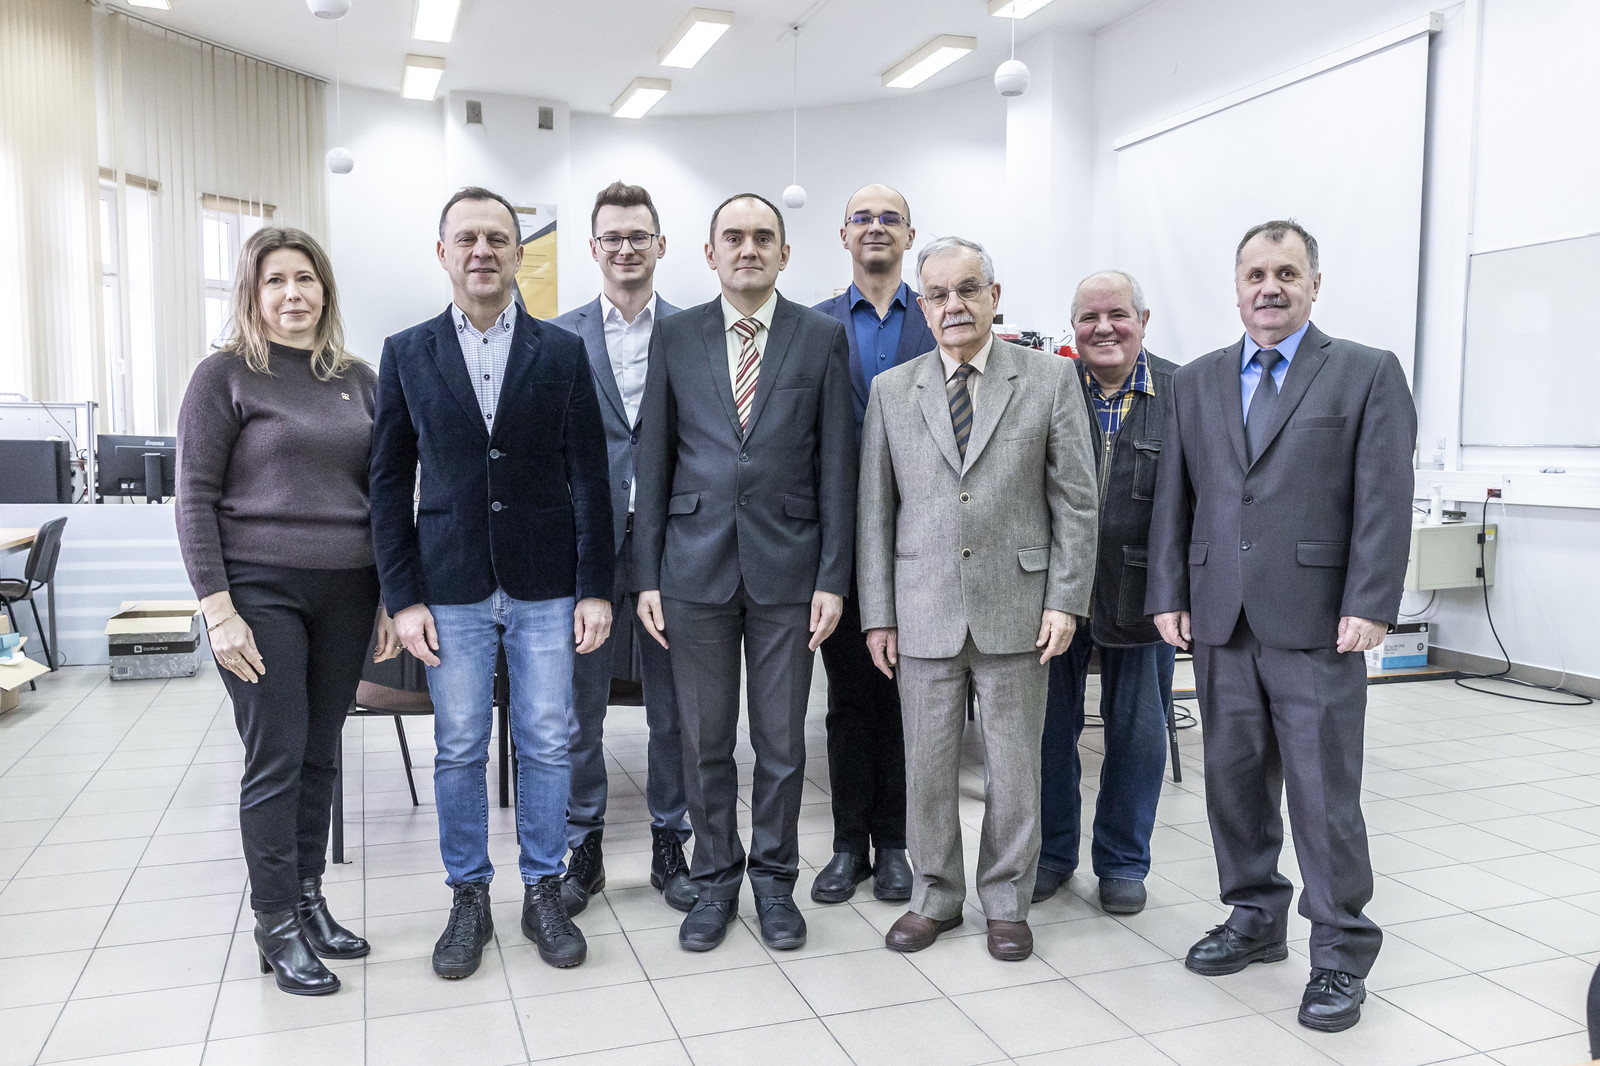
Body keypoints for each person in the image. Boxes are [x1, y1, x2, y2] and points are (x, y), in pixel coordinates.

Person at [1146, 220, 1416, 1032]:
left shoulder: (1365, 372)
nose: (1270, 287)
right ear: (1236, 288)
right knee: (1233, 781)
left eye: (1287, 273)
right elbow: (1176, 497)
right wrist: (1168, 590)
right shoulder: (1196, 380)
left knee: (1324, 794)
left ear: (1314, 284)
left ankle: (1339, 952)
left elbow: (1383, 495)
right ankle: (1254, 916)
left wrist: (1371, 601)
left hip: (1319, 619)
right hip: (1219, 617)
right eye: (1256, 274)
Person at [369, 186, 614, 977]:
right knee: (459, 747)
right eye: (467, 238)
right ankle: (468, 895)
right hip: (449, 584)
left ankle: (543, 889)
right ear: (443, 252)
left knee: (545, 739)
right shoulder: (406, 352)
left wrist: (596, 586)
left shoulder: (562, 352)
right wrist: (402, 596)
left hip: (546, 582)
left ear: (519, 253)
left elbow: (590, 477)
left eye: (497, 239)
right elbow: (387, 484)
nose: (482, 251)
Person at [856, 236, 1098, 962]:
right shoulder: (892, 390)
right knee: (927, 766)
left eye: (967, 289)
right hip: (922, 606)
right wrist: (878, 613)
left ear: (995, 296)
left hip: (1019, 606)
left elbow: (1077, 502)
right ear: (923, 306)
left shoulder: (1050, 379)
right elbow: (876, 512)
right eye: (937, 294)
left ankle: (1006, 901)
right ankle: (934, 896)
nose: (953, 305)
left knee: (1016, 769)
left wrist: (1065, 600)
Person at [176, 226, 398, 996]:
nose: (293, 294)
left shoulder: (359, 380)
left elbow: (383, 496)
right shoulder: (224, 376)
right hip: (259, 590)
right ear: (253, 292)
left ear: (325, 291)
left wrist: (387, 595)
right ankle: (274, 922)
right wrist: (217, 609)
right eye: (275, 281)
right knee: (277, 755)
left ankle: (308, 902)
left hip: (349, 589)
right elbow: (193, 498)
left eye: (305, 279)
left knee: (321, 751)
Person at [633, 192, 855, 953]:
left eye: (764, 237)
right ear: (710, 253)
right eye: (734, 237)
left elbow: (838, 466)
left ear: (785, 254)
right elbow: (654, 460)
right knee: (703, 742)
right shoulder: (675, 336)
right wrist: (647, 575)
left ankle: (775, 883)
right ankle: (715, 881)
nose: (748, 248)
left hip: (790, 571)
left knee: (782, 744)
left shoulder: (820, 337)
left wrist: (833, 577)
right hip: (691, 568)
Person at [548, 181, 694, 916]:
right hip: (586, 543)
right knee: (582, 708)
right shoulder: (557, 336)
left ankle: (671, 840)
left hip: (673, 543)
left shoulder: (693, 333)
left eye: (639, 236)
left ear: (660, 245)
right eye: (613, 237)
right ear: (594, 247)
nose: (626, 248)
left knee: (675, 708)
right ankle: (585, 845)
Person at [808, 184, 935, 905]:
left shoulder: (939, 317)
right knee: (850, 699)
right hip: (842, 540)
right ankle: (848, 845)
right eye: (862, 218)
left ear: (910, 235)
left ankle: (895, 845)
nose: (876, 228)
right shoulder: (815, 325)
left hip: (924, 538)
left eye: (891, 219)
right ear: (844, 234)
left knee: (908, 699)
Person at [1036, 271, 1176, 914]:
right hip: (1053, 592)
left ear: (1143, 320)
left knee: (1138, 735)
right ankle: (1052, 855)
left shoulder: (1180, 392)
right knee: (1048, 733)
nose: (1104, 328)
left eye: (1117, 314)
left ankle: (1122, 863)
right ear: (1073, 328)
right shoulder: (1048, 387)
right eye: (1089, 317)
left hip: (1147, 595)